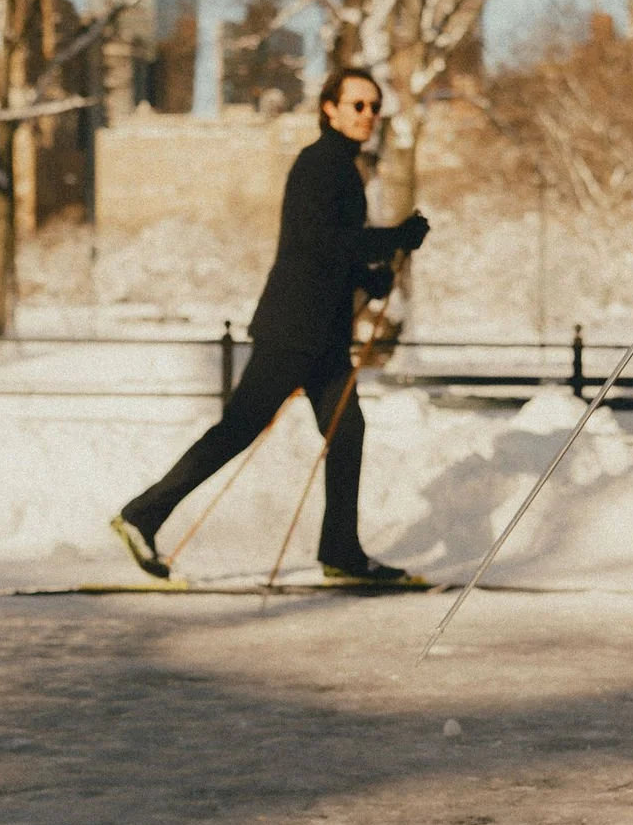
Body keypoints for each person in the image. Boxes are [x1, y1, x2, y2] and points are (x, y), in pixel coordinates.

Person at [111, 67, 430, 584]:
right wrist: (390, 240)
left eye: (374, 107)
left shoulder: (344, 168)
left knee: (347, 431)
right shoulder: (319, 163)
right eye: (358, 105)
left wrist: (366, 279)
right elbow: (318, 240)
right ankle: (142, 515)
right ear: (330, 108)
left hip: (322, 335)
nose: (369, 115)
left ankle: (341, 553)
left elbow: (331, 249)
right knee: (237, 430)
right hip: (293, 332)